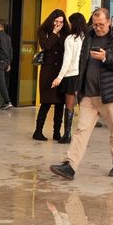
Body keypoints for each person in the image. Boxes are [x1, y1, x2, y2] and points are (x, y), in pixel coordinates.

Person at [49, 8, 113, 181]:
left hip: (109, 94)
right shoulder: (88, 36)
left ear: (109, 22)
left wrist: (106, 57)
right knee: (81, 130)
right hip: (88, 94)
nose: (98, 27)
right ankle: (70, 166)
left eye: (101, 24)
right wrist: (79, 87)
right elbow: (82, 62)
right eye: (95, 24)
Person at [52, 13, 89, 144]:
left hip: (71, 75)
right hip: (83, 75)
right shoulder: (86, 38)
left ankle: (67, 134)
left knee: (69, 106)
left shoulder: (71, 39)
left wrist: (59, 77)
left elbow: (67, 60)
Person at [34, 10, 68, 141]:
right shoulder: (43, 31)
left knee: (60, 103)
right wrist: (54, 33)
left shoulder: (66, 33)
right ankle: (38, 131)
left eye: (61, 22)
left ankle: (56, 132)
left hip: (61, 71)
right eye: (56, 21)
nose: (58, 24)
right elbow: (46, 46)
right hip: (48, 71)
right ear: (51, 20)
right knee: (46, 102)